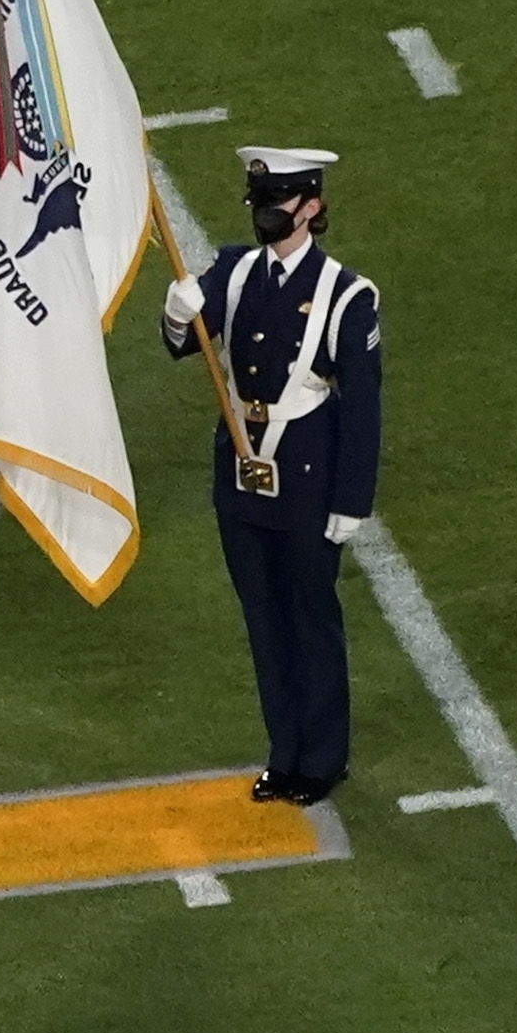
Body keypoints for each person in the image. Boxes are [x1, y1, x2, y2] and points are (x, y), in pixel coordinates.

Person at [161, 146, 381, 804]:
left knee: (310, 617)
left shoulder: (347, 295)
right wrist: (176, 315)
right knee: (263, 619)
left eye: (277, 203)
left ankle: (321, 760)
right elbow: (186, 345)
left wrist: (352, 498)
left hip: (309, 479)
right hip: (241, 474)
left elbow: (364, 406)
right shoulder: (232, 272)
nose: (265, 214)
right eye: (258, 203)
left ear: (311, 207)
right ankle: (284, 753)